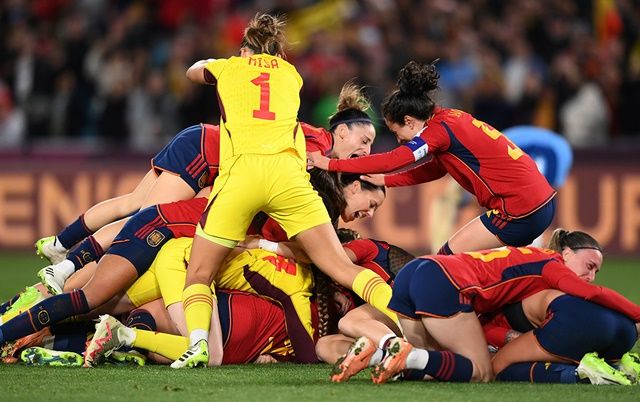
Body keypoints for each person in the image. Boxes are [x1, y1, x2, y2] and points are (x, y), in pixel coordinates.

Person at [176, 13, 395, 368]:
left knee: (198, 273)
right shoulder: (292, 75)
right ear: (280, 52)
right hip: (286, 178)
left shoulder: (229, 68)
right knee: (341, 267)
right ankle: (405, 324)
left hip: (242, 176)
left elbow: (193, 70)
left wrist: (219, 63)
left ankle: (198, 345)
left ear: (246, 50)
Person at [36, 80, 377, 288]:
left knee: (132, 204)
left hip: (201, 140)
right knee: (145, 219)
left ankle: (60, 243)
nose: (366, 151)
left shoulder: (317, 146)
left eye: (372, 145)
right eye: (364, 140)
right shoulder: (317, 145)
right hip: (205, 154)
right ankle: (69, 266)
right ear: (342, 131)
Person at [308, 61, 556, 254]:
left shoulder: (439, 131)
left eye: (397, 133)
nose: (399, 140)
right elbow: (435, 169)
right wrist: (388, 181)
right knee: (490, 266)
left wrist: (329, 163)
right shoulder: (450, 118)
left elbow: (396, 159)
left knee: (446, 262)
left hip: (519, 210)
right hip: (539, 203)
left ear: (408, 120)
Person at [368, 233, 640, 384]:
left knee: (438, 367)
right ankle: (402, 355)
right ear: (566, 253)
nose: (591, 276)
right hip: (445, 280)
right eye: (588, 266)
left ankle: (376, 356)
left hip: (418, 269)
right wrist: (637, 314)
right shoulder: (550, 264)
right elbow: (591, 293)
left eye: (596, 271)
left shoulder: (530, 262)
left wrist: (507, 337)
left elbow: (488, 319)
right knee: (481, 372)